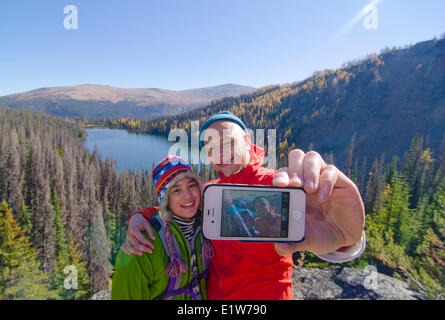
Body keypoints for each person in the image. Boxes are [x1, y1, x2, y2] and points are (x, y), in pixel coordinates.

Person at [121, 111, 366, 300]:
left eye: (228, 141)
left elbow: (329, 238)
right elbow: (178, 208)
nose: (220, 152)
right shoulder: (210, 192)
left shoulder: (278, 183)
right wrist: (141, 216)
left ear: (247, 140)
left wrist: (348, 237)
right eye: (211, 147)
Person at [111, 155, 214, 300]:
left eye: (192, 185)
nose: (188, 196)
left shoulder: (208, 227)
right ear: (166, 199)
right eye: (176, 190)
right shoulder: (141, 246)